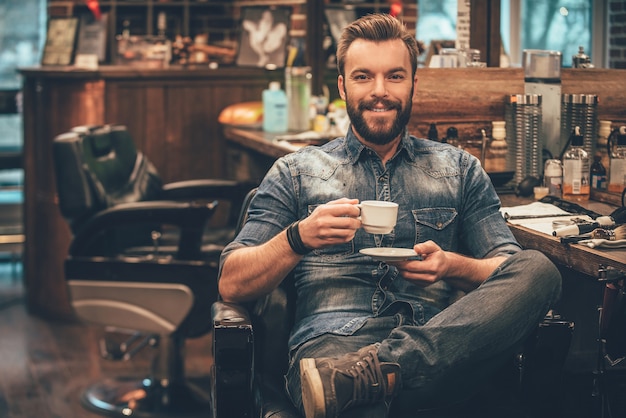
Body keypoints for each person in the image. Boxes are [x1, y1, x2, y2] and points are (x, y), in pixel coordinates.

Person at [219, 13, 561, 418]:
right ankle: (366, 379)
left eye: (394, 77)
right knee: (347, 398)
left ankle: (378, 372)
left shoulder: (459, 170)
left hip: (437, 349)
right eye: (364, 77)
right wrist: (299, 236)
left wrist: (451, 265)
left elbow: (508, 269)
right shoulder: (296, 172)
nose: (379, 92)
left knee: (540, 269)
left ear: (414, 83)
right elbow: (231, 282)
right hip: (332, 346)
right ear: (343, 85)